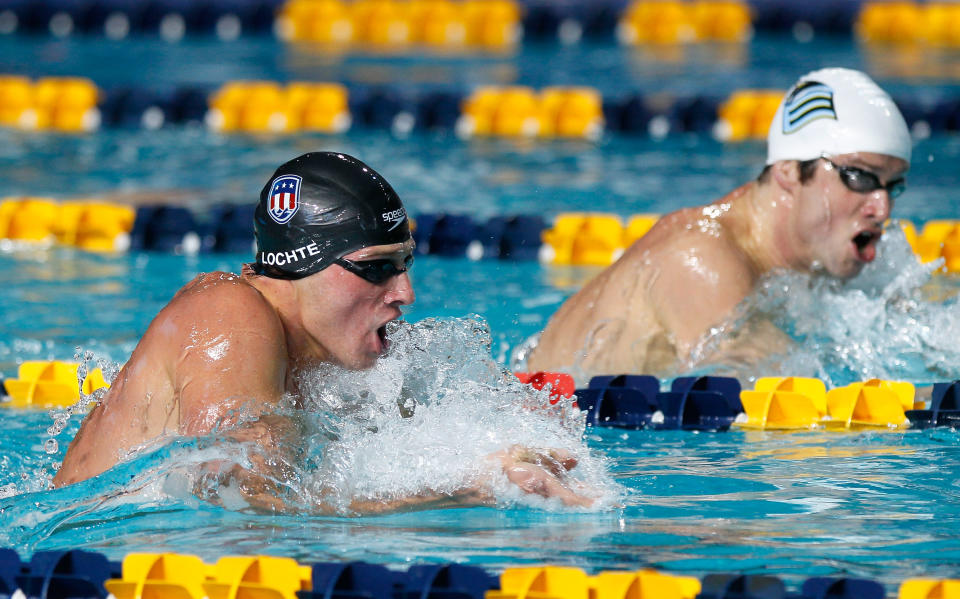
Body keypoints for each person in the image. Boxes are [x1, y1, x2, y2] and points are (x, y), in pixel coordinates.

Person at [54, 151, 592, 511]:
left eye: (405, 263)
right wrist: (464, 487)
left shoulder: (330, 362)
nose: (406, 293)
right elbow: (237, 504)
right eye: (376, 267)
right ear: (300, 267)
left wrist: (517, 450)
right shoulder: (230, 316)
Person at [526, 67, 912, 382]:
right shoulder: (700, 258)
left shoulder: (817, 259)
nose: (882, 207)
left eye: (893, 186)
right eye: (861, 177)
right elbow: (788, 390)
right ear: (789, 171)